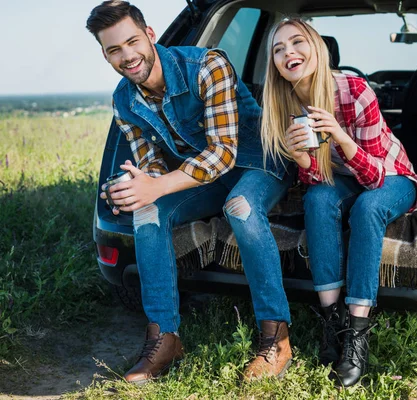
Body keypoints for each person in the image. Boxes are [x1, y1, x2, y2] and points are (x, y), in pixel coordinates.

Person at [86, 1, 295, 384]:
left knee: (241, 207)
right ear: (105, 54)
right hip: (200, 178)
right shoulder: (123, 100)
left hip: (259, 161)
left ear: (150, 36)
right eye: (114, 49)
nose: (127, 56)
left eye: (132, 42)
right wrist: (130, 188)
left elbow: (222, 153)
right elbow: (150, 168)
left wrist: (158, 184)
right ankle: (164, 337)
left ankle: (275, 337)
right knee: (147, 210)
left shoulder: (206, 66)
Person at [261, 18, 417, 387]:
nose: (289, 52)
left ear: (317, 47)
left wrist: (338, 134)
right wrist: (301, 158)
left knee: (368, 208)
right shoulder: (283, 103)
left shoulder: (353, 89)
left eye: (297, 42)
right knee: (319, 199)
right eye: (278, 48)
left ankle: (356, 333)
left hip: (392, 174)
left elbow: (374, 180)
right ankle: (331, 321)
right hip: (342, 178)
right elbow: (317, 179)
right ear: (273, 62)